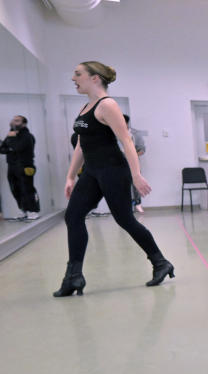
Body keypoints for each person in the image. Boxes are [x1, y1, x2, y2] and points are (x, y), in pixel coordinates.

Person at [55, 61, 174, 297]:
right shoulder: (85, 107)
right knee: (73, 216)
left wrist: (136, 174)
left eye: (78, 74)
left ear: (95, 78)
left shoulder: (107, 105)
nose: (73, 78)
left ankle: (161, 263)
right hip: (91, 171)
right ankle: (74, 276)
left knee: (125, 220)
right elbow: (80, 144)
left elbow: (126, 141)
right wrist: (70, 176)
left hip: (112, 170)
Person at [0, 115, 40, 220]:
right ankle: (24, 210)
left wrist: (10, 143)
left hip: (25, 166)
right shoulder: (10, 136)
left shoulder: (27, 136)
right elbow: (2, 149)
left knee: (27, 189)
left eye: (17, 120)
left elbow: (17, 148)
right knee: (15, 189)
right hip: (11, 166)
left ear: (24, 123)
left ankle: (33, 211)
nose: (13, 122)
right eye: (13, 120)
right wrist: (9, 146)